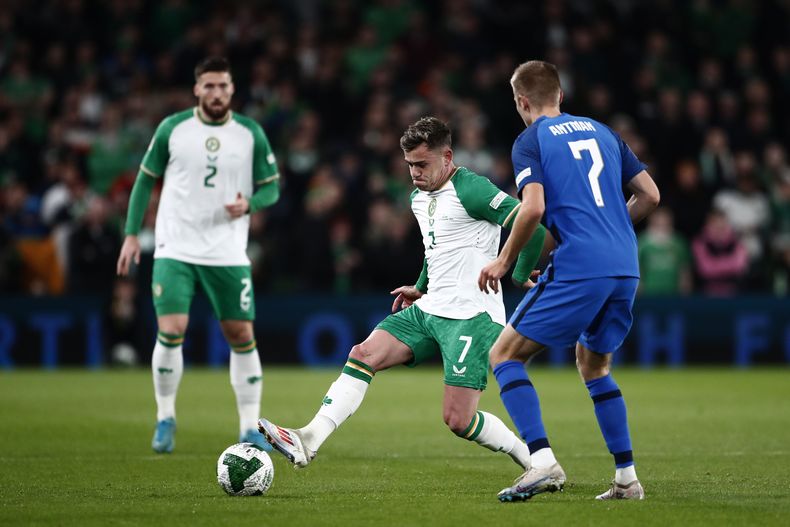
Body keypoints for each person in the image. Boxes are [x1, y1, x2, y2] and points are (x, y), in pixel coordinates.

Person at [258, 117, 547, 473]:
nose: (414, 173)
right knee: (363, 354)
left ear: (448, 156)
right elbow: (436, 248)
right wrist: (421, 286)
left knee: (458, 420)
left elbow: (533, 225)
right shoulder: (417, 198)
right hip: (429, 308)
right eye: (409, 165)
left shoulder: (472, 189)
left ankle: (531, 458)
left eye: (422, 164)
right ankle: (308, 438)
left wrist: (514, 272)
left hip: (472, 315)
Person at [477, 61, 660, 501]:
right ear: (560, 95)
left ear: (522, 101)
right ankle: (626, 479)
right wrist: (612, 230)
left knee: (503, 355)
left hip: (582, 264)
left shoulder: (530, 140)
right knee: (594, 364)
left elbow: (533, 209)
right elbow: (651, 194)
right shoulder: (603, 131)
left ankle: (541, 462)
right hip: (625, 264)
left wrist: (504, 261)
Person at [116, 57, 280, 453]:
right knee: (172, 329)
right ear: (196, 89)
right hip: (176, 247)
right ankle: (165, 418)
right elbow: (145, 180)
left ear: (232, 89)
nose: (216, 93)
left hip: (227, 251)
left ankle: (247, 427)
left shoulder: (250, 133)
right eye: (208, 86)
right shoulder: (173, 129)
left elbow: (272, 187)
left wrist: (251, 204)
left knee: (241, 335)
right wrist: (131, 234)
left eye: (222, 86)